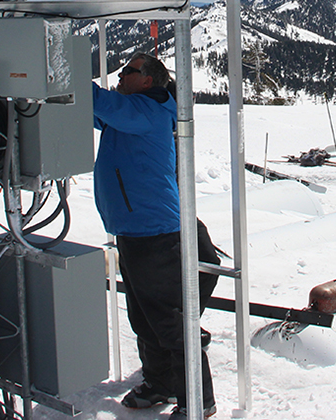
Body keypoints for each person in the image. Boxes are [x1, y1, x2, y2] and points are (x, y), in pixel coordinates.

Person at [91, 52, 217, 419]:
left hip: (155, 231)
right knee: (143, 318)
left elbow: (102, 102)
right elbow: (99, 111)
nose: (120, 77)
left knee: (167, 319)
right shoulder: (132, 113)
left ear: (146, 80)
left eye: (127, 72)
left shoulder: (149, 109)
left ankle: (197, 398)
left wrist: (60, 74)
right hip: (133, 228)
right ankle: (159, 383)